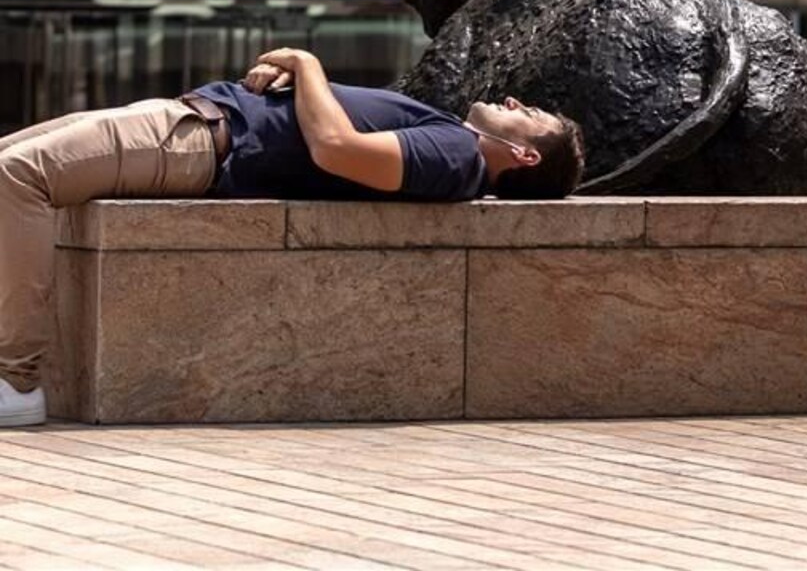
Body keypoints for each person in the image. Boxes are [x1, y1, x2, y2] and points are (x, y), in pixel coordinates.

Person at [0, 45, 583, 429]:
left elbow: (338, 150)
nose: (513, 100)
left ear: (525, 155)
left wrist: (306, 64)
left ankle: (15, 380)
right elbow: (328, 127)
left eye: (529, 112)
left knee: (17, 175)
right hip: (193, 120)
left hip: (199, 140)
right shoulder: (452, 137)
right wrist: (297, 84)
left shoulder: (456, 154)